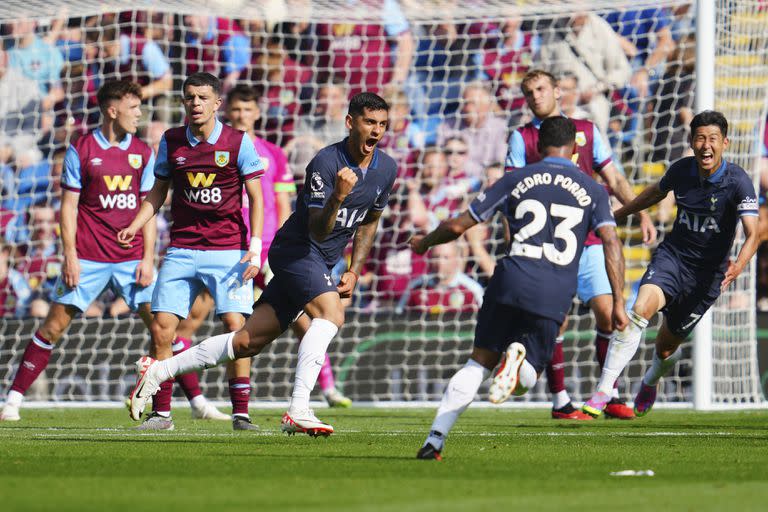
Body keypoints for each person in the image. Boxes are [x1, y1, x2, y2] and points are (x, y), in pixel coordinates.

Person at [127, 92, 396, 437]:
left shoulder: (386, 168)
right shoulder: (326, 163)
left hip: (323, 260)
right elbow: (318, 228)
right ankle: (299, 408)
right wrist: (338, 196)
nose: (376, 131)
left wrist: (354, 268)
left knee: (245, 343)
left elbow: (370, 220)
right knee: (332, 314)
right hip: (295, 252)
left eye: (382, 125)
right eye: (369, 122)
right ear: (350, 122)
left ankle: (158, 372)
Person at [411, 117, 627, 460]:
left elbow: (456, 225)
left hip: (510, 278)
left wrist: (424, 243)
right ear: (574, 148)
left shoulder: (515, 179)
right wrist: (618, 300)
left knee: (479, 361)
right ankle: (517, 356)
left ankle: (435, 440)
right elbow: (611, 243)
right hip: (554, 290)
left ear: (538, 146)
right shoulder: (593, 189)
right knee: (526, 379)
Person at [582, 110, 760, 418]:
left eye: (713, 139)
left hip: (707, 278)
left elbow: (754, 232)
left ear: (725, 143)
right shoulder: (681, 170)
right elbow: (655, 192)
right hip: (672, 259)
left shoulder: (738, 182)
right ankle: (604, 389)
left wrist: (740, 263)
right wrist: (620, 214)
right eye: (700, 138)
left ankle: (651, 380)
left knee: (665, 348)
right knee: (639, 311)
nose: (706, 145)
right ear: (691, 142)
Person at [1, 81, 160, 421]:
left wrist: (148, 258)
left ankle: (195, 404)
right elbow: (69, 207)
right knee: (53, 326)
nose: (139, 114)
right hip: (88, 257)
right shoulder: (82, 149)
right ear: (112, 110)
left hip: (132, 258)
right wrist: (70, 256)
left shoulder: (144, 152)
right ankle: (12, 400)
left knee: (162, 326)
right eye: (133, 108)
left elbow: (148, 207)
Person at [117, 72, 265, 431]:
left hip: (228, 249)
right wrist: (136, 225)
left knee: (236, 327)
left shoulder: (237, 142)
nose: (195, 104)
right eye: (189, 98)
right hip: (182, 249)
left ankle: (241, 413)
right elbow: (157, 192)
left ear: (217, 103)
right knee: (162, 329)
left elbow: (257, 197)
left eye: (202, 98)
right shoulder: (170, 141)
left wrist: (255, 247)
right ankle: (162, 414)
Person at [506, 69, 656, 420]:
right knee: (554, 323)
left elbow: (613, 176)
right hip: (547, 243)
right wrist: (514, 238)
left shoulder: (587, 131)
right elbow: (511, 191)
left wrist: (641, 214)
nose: (535, 96)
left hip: (587, 238)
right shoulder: (522, 138)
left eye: (541, 88)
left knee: (608, 313)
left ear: (557, 91)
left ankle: (610, 392)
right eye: (528, 92)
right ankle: (560, 400)